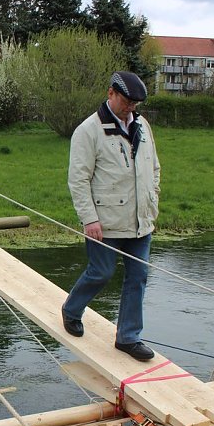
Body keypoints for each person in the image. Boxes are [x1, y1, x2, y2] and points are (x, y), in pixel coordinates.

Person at [61, 71, 160, 362]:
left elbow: (154, 167)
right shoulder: (88, 131)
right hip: (105, 221)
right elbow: (78, 180)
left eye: (135, 104)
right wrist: (89, 218)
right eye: (126, 102)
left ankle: (128, 337)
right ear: (111, 94)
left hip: (141, 220)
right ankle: (71, 310)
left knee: (138, 276)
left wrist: (152, 198)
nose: (131, 108)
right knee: (101, 272)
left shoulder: (143, 126)